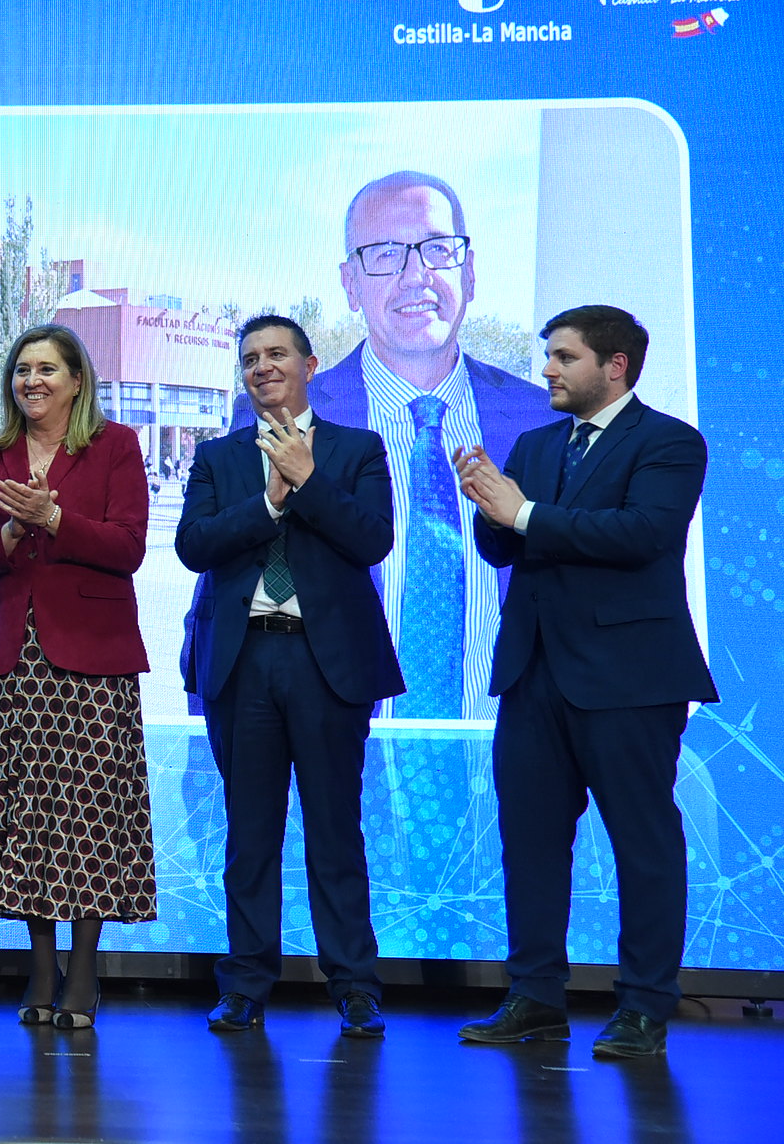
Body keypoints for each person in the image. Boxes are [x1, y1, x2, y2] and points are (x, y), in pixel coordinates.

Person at [454, 305, 713, 1059]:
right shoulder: (536, 444)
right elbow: (507, 548)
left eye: (564, 357)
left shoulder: (669, 442)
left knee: (643, 843)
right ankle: (535, 996)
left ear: (615, 366)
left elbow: (642, 535)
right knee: (530, 843)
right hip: (533, 672)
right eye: (549, 356)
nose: (548, 370)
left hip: (630, 678)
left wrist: (524, 512)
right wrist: (491, 509)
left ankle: (644, 1006)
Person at [176, 314, 402, 1038]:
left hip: (326, 663)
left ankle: (355, 985)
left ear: (310, 365)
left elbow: (372, 538)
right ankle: (245, 983)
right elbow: (193, 545)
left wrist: (306, 480)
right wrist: (270, 501)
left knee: (335, 830)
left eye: (277, 354)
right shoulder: (218, 457)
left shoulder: (357, 449)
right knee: (250, 835)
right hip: (243, 661)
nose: (262, 367)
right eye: (250, 358)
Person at [0, 323, 155, 1030]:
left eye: (45, 369)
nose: (31, 381)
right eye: (21, 369)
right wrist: (12, 532)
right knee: (26, 812)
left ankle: (85, 968)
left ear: (76, 380)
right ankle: (41, 965)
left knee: (90, 811)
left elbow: (129, 547)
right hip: (17, 659)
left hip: (95, 656)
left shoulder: (116, 445)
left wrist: (55, 516)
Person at [307, 171, 548, 720]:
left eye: (438, 249)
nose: (417, 276)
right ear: (350, 285)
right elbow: (221, 626)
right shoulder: (287, 421)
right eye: (386, 254)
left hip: (512, 760)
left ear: (469, 273)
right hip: (333, 761)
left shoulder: (542, 421)